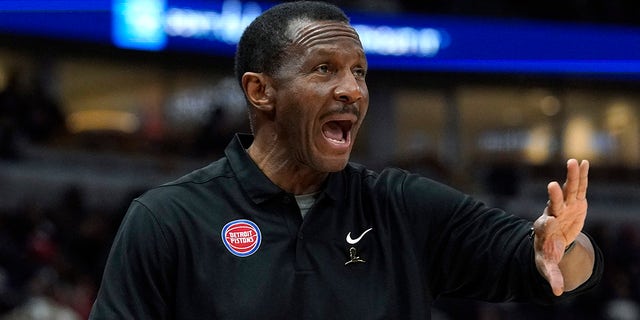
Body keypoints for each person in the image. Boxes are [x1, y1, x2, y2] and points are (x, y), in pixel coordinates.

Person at [89, 1, 603, 319]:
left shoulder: (402, 206)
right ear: (261, 91)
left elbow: (549, 264)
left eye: (359, 72)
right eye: (324, 69)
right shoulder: (168, 220)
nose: (351, 90)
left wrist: (564, 247)